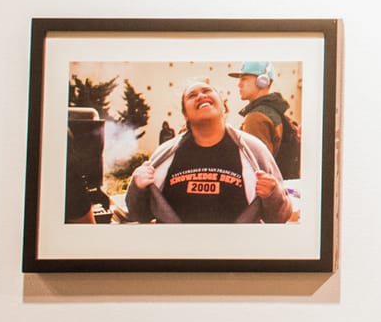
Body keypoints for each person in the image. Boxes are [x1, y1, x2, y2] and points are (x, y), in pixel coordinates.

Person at [124, 80, 294, 223]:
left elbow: (280, 218)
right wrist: (137, 187)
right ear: (185, 115)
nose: (201, 96)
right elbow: (139, 215)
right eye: (192, 95)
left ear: (223, 106)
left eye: (207, 91)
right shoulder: (164, 155)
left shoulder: (255, 150)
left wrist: (272, 195)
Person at [229, 61, 300, 179]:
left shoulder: (256, 117)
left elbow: (256, 168)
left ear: (263, 82)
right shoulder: (275, 111)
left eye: (244, 79)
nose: (239, 84)